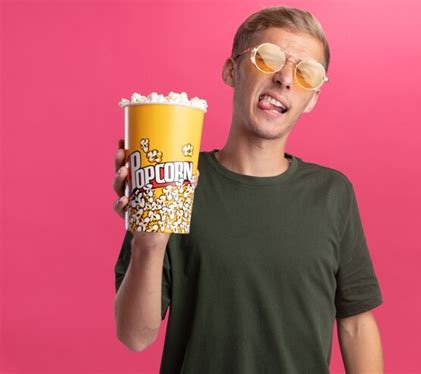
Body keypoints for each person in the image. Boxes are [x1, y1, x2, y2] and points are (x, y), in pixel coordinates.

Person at [112, 5, 384, 373]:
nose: (285, 78)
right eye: (268, 58)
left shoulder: (332, 194)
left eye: (306, 72)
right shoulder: (175, 184)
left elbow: (355, 325)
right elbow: (134, 336)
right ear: (231, 70)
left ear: (314, 98)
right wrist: (149, 241)